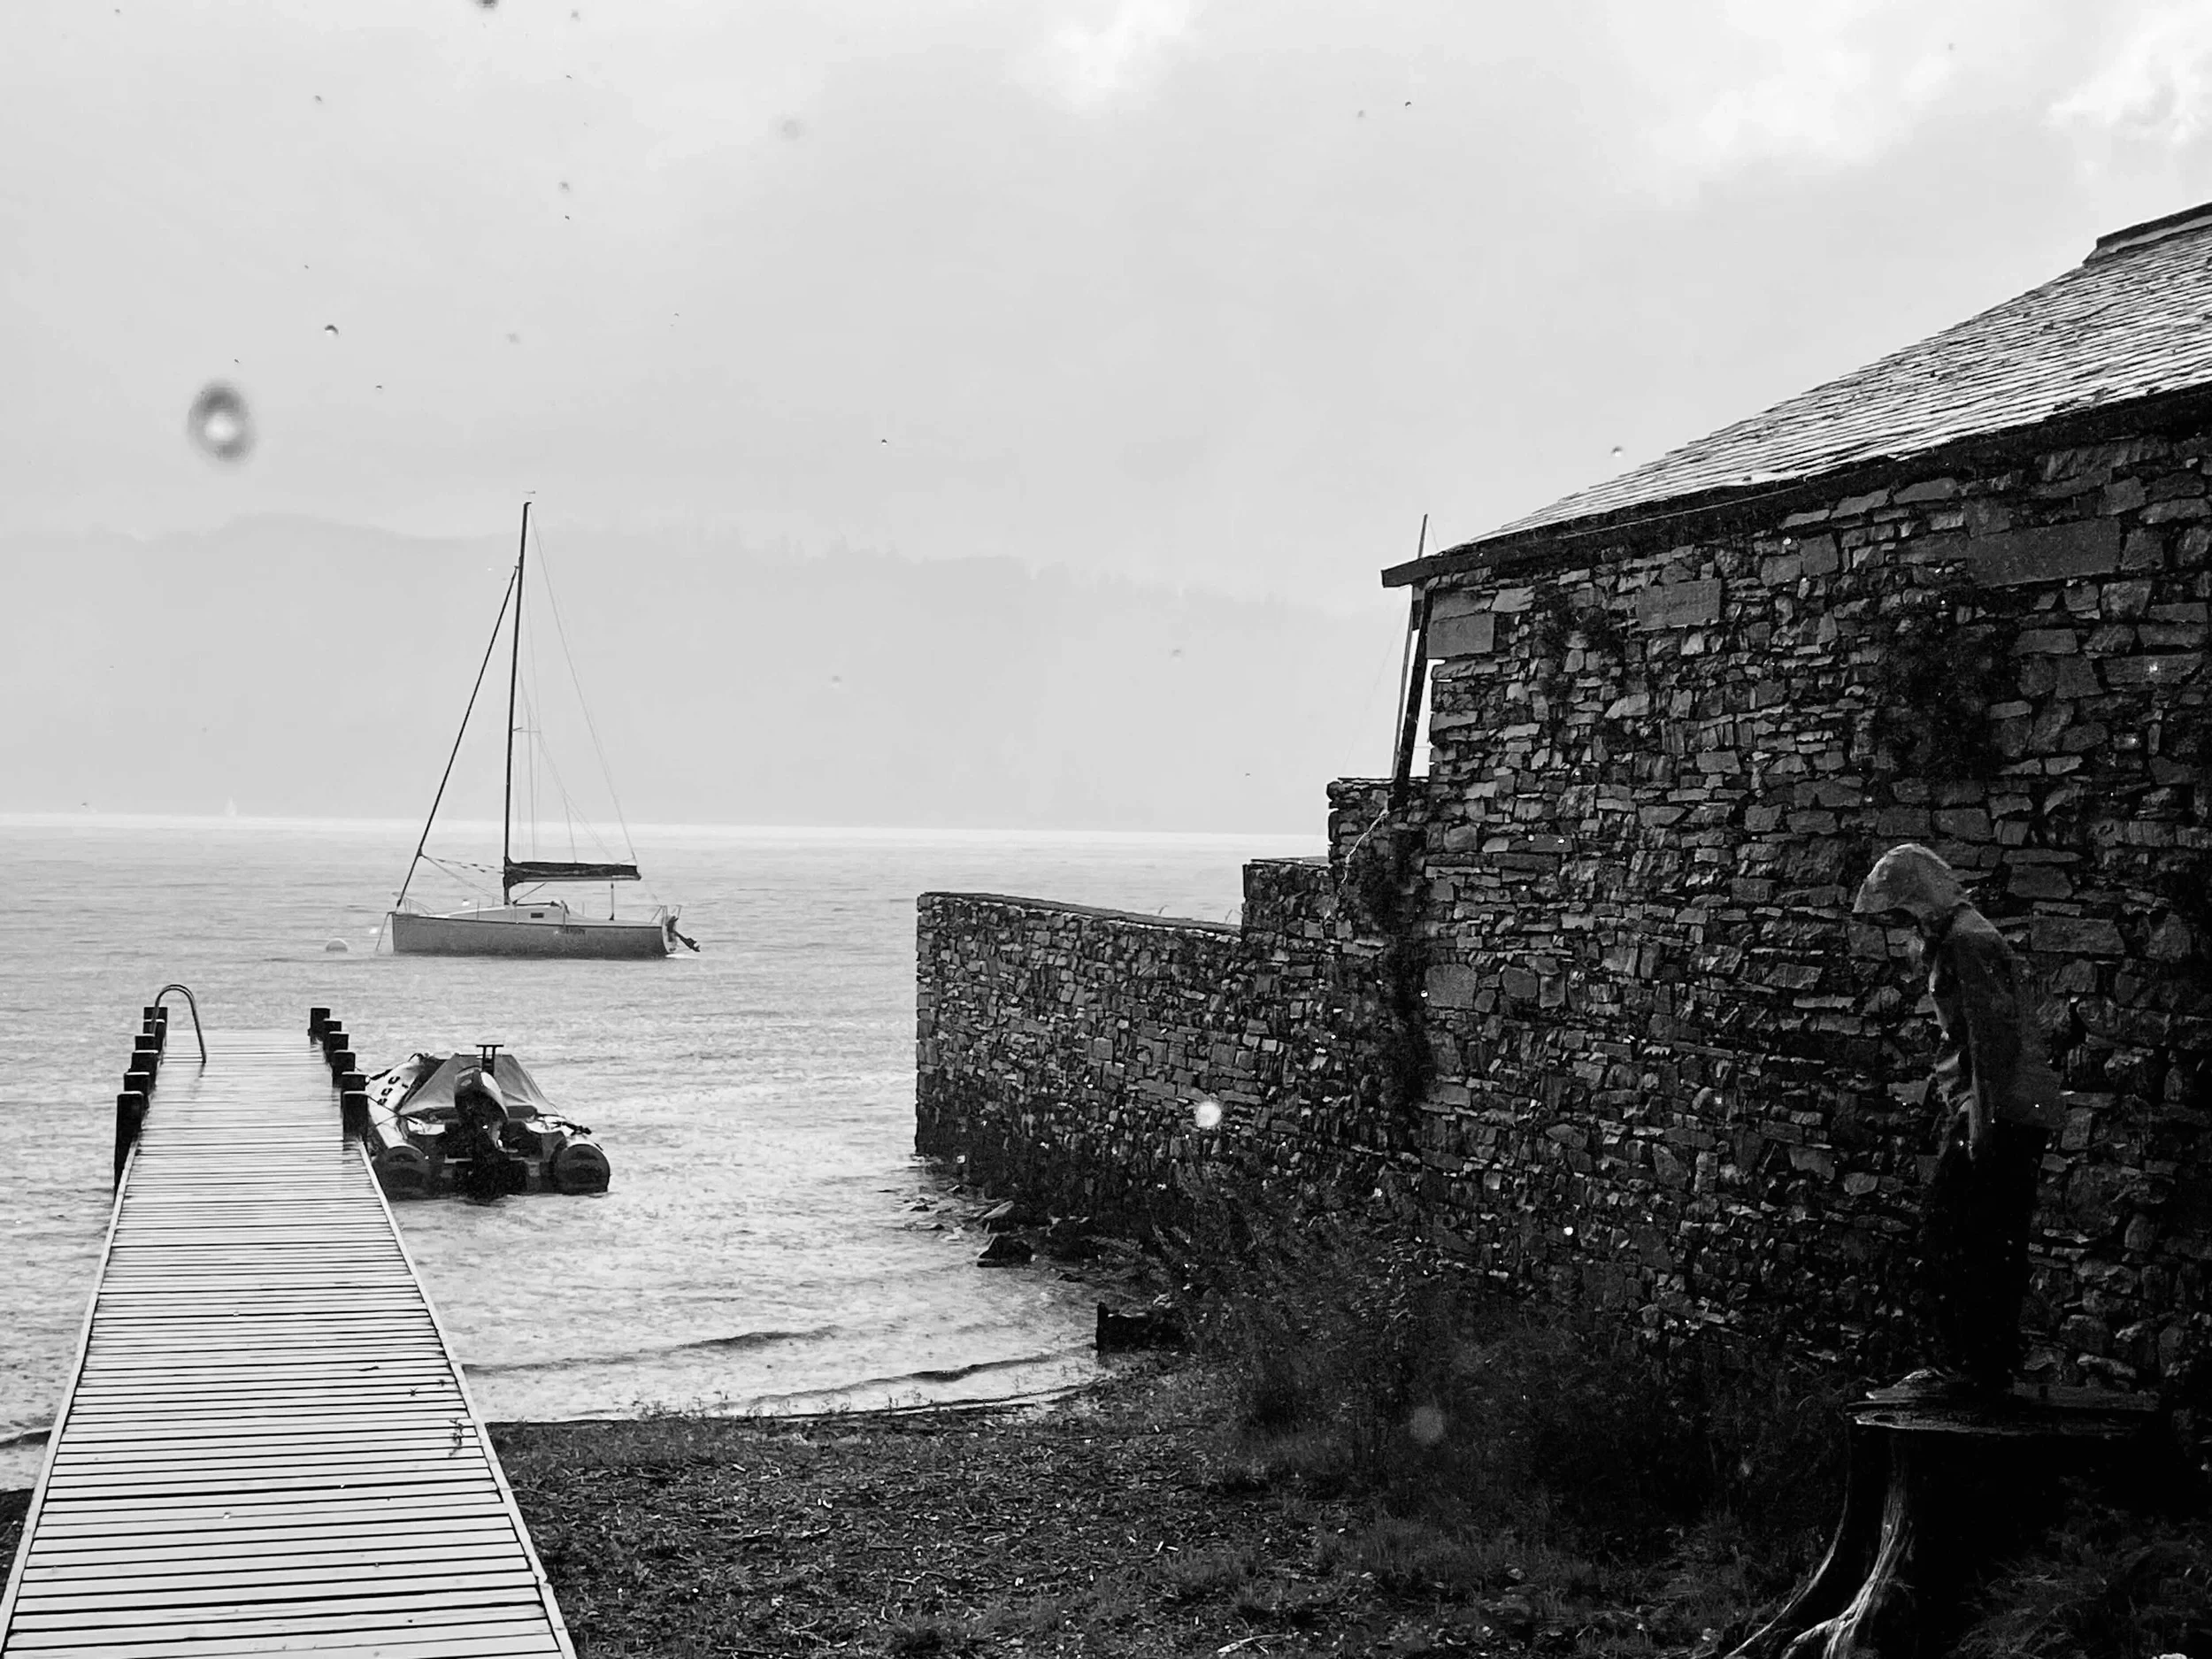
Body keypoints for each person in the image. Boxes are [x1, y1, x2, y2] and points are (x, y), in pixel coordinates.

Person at [1852, 842, 2062, 1397]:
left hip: (2002, 1110)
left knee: (1962, 1230)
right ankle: (1979, 1361)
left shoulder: (1968, 942)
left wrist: (1979, 1121)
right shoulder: (1960, 938)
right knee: (1980, 1232)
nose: (1899, 925)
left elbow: (1994, 1041)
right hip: (2001, 1108)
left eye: (1901, 912)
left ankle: (1974, 1365)